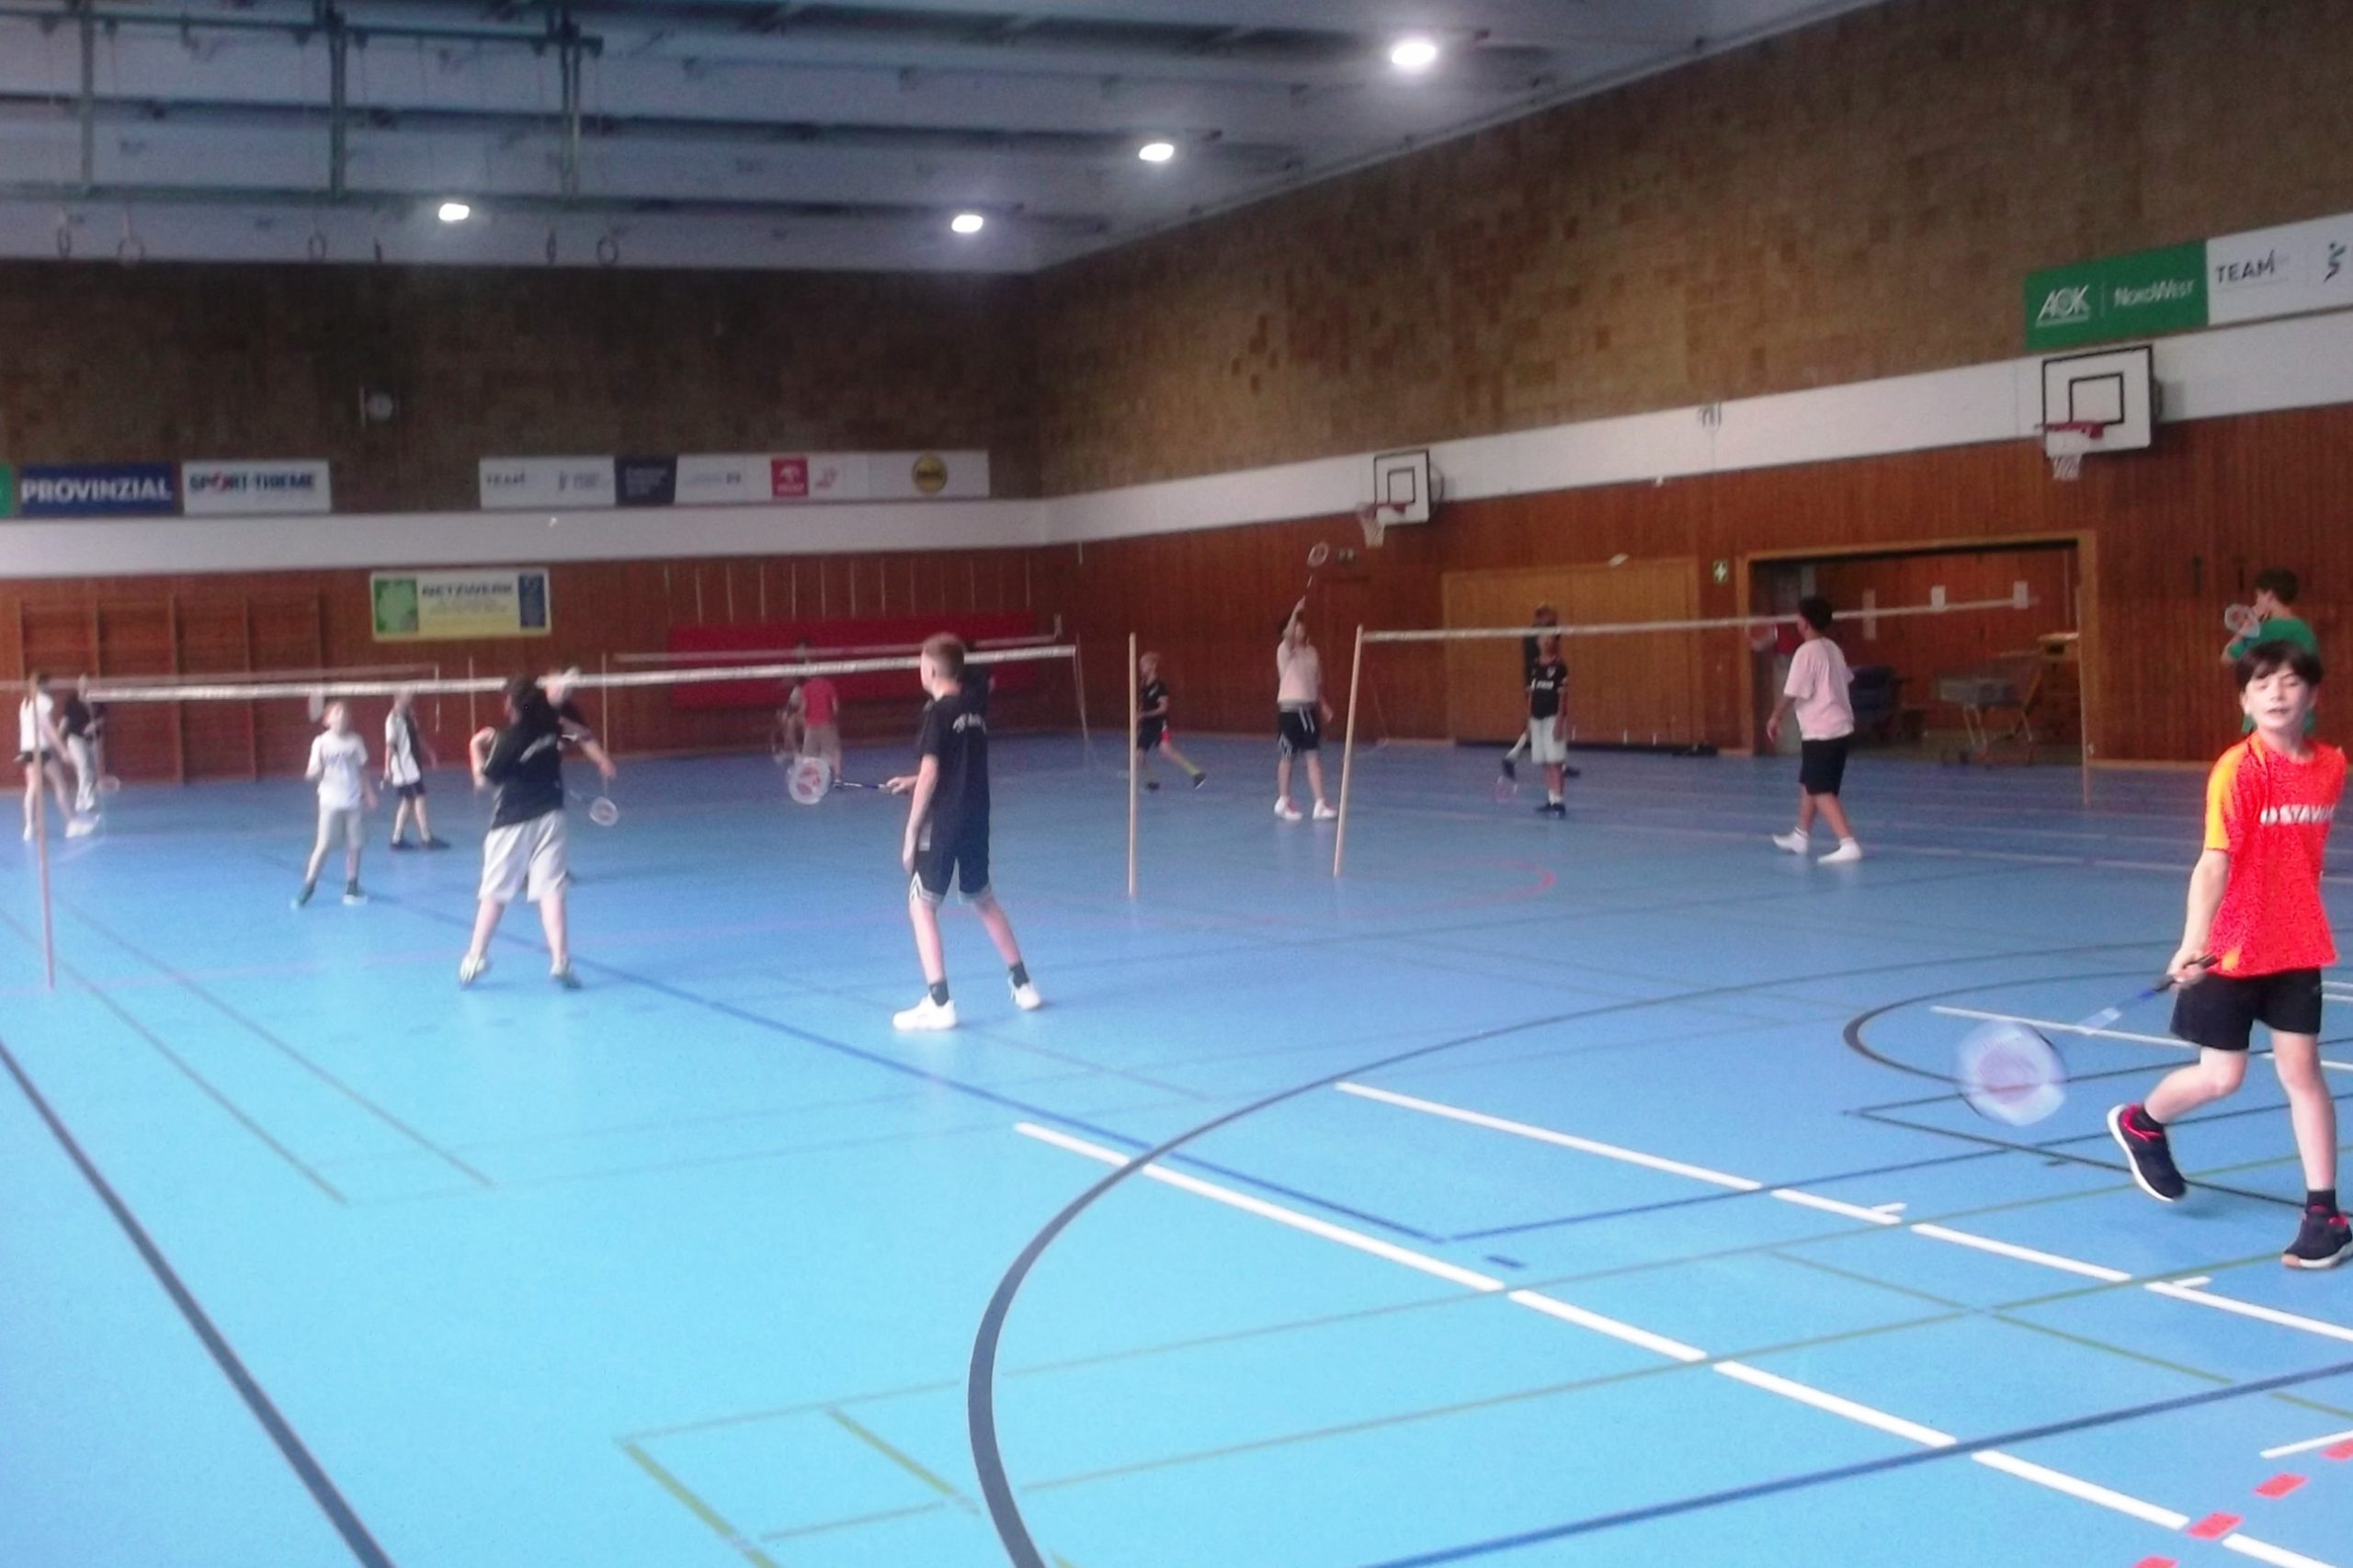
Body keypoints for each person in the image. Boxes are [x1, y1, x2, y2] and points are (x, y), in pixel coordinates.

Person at [2109, 642, 2349, 1270]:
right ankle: (2142, 1122)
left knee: (2303, 1073)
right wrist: (2195, 940)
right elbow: (2214, 861)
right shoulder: (2237, 771)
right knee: (2222, 1076)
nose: (2277, 694)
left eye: (2290, 682)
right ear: (2245, 700)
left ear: (2313, 695)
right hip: (2230, 950)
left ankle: (2324, 1214)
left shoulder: (2331, 766)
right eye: (2262, 684)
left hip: (2296, 943)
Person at [885, 633, 1040, 1030]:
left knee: (921, 905)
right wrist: (912, 779)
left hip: (943, 821)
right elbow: (953, 764)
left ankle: (939, 1003)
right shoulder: (973, 708)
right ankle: (1024, 985)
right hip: (976, 818)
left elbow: (932, 772)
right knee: (983, 898)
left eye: (921, 662)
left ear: (932, 670)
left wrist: (910, 831)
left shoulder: (936, 713)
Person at [460, 675, 615, 990]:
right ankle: (561, 960)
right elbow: (580, 733)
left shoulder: (508, 740)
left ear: (512, 705)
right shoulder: (551, 727)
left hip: (512, 822)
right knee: (551, 890)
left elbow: (483, 782)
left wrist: (474, 748)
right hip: (551, 817)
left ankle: (476, 957)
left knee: (494, 893)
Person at [1765, 596, 1862, 863]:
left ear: (1805, 622)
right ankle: (1801, 835)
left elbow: (1792, 691)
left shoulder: (1806, 652)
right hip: (1839, 727)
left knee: (1820, 789)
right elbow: (1845, 680)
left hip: (1823, 729)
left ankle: (1848, 843)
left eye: (1798, 617)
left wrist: (1775, 716)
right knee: (1810, 781)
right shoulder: (1833, 648)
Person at [296, 701, 376, 907]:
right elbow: (311, 772)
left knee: (355, 845)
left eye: (344, 713)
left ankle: (352, 886)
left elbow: (362, 770)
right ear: (327, 720)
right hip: (330, 801)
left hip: (353, 800)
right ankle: (309, 885)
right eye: (337, 712)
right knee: (323, 845)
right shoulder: (320, 743)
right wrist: (313, 773)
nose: (342, 715)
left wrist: (368, 793)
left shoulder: (355, 741)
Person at [2225, 569, 2318, 733]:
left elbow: (2227, 657)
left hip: (2264, 714)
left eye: (2258, 596)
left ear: (2269, 595)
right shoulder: (2305, 631)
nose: (2257, 601)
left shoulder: (2260, 631)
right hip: (2300, 716)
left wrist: (2247, 626)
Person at [1275, 599, 1336, 822]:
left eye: (1301, 625)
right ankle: (1283, 800)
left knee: (1313, 756)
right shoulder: (1285, 650)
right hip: (1290, 712)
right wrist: (1295, 612)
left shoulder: (1312, 652)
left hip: (1308, 711)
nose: (1299, 629)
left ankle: (1319, 803)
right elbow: (1289, 634)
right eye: (1295, 626)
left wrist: (1323, 704)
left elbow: (1315, 683)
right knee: (1287, 757)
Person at [1501, 604, 1576, 784]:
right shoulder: (1535, 637)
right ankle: (1513, 756)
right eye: (1551, 617)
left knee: (1540, 727)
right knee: (1538, 725)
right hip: (1538, 684)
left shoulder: (1547, 633)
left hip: (1543, 682)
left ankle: (1516, 756)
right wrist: (1531, 688)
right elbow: (1542, 661)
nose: (1555, 620)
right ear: (1541, 617)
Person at [17, 672, 84, 841]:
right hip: (41, 749)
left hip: (27, 749)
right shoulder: (44, 701)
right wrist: (62, 750)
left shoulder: (25, 702)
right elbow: (47, 728)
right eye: (49, 683)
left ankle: (29, 826)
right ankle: (71, 824)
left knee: (32, 787)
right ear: (43, 684)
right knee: (60, 783)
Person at [383, 688, 448, 850]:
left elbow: (417, 736)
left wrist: (430, 753)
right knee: (418, 797)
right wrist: (387, 768)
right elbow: (390, 745)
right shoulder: (392, 720)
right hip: (404, 767)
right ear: (398, 698)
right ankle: (425, 837)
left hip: (413, 764)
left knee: (408, 800)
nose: (411, 698)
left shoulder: (409, 715)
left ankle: (397, 839)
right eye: (408, 695)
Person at [1135, 650, 1207, 791]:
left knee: (1166, 749)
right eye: (1141, 664)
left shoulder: (1160, 686)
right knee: (1139, 756)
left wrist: (1144, 714)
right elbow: (1143, 703)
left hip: (1159, 724)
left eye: (1144, 664)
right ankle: (1152, 781)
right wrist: (1138, 714)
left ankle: (1196, 773)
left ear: (1153, 665)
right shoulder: (1143, 684)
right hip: (1146, 726)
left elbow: (1163, 708)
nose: (1141, 667)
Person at [784, 642, 844, 780]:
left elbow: (804, 708)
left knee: (810, 756)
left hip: (811, 727)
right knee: (834, 750)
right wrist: (832, 720)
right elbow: (835, 707)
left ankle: (814, 779)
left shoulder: (807, 688)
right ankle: (838, 777)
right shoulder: (829, 685)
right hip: (826, 725)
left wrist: (797, 715)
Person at [1527, 633, 1570, 817]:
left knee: (1555, 761)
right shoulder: (1533, 665)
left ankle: (1559, 802)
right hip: (1536, 718)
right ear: (1537, 642)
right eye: (1542, 638)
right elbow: (1530, 694)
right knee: (1544, 761)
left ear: (1553, 642)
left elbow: (1563, 696)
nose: (1545, 642)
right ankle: (1551, 799)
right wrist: (1528, 719)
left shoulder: (1560, 666)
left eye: (1549, 638)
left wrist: (1559, 721)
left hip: (1553, 718)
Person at [60, 676, 105, 818]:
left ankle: (81, 799)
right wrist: (60, 742)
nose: (84, 686)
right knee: (83, 767)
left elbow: (102, 718)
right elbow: (65, 720)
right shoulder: (71, 700)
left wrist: (94, 725)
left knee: (92, 769)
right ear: (78, 686)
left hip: (93, 739)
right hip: (75, 738)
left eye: (87, 683)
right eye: (81, 683)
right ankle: (89, 801)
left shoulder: (97, 699)